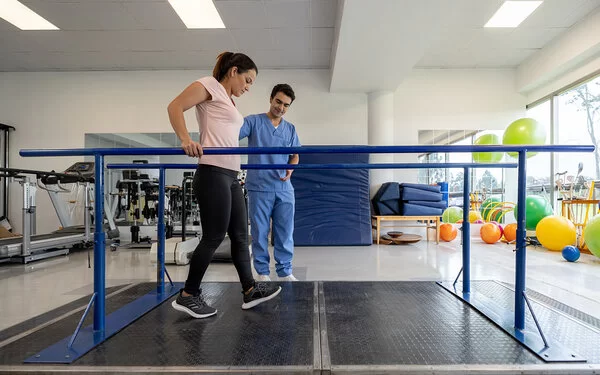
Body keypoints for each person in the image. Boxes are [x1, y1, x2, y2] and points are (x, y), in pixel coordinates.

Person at [167, 52, 281, 319]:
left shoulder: (227, 100)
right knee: (214, 237)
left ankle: (250, 290)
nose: (248, 87)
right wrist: (185, 139)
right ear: (234, 71)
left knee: (241, 236)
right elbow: (174, 106)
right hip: (212, 172)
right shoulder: (209, 85)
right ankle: (188, 295)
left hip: (230, 175)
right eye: (248, 80)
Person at [239, 84, 301, 281]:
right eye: (278, 102)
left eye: (286, 105)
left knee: (285, 231)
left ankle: (285, 271)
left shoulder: (290, 129)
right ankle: (262, 272)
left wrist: (290, 169)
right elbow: (231, 134)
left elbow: (295, 156)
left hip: (284, 187)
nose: (281, 107)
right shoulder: (253, 122)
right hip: (259, 186)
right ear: (271, 99)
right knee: (260, 232)